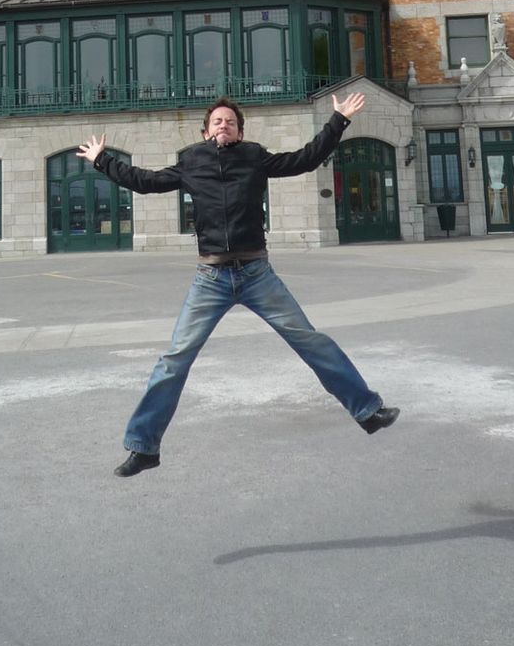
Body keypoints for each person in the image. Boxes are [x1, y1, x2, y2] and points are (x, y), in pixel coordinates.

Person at [77, 93, 399, 478]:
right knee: (175, 359)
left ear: (240, 130)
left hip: (256, 274)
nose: (223, 125)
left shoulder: (254, 157)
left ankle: (367, 411)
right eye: (217, 121)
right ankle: (144, 447)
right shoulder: (192, 162)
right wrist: (102, 161)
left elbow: (305, 158)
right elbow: (144, 182)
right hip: (211, 278)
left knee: (310, 340)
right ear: (205, 130)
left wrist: (338, 120)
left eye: (230, 121)